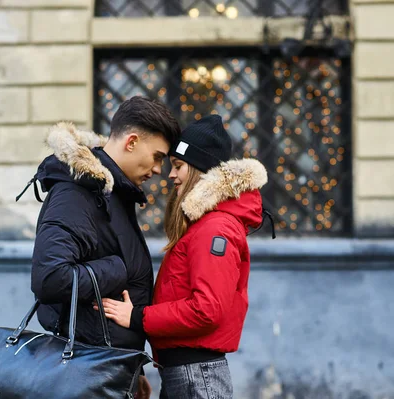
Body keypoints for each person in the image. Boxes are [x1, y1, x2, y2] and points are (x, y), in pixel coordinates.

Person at [95, 115, 269, 399]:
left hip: (196, 377)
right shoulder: (205, 226)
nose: (171, 175)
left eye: (178, 166)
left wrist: (137, 317)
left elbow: (207, 309)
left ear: (200, 170)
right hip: (187, 375)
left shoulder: (216, 228)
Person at [28, 96, 181, 398]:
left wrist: (131, 368)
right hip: (85, 373)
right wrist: (116, 269)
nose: (159, 169)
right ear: (132, 141)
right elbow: (49, 278)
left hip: (106, 369)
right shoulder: (77, 193)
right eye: (158, 156)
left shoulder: (113, 194)